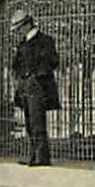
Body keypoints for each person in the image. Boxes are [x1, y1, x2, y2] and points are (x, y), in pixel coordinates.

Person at [10, 10, 60, 167]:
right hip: (25, 86)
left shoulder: (45, 40)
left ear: (27, 24)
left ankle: (41, 157)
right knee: (30, 122)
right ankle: (34, 154)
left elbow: (52, 61)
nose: (19, 31)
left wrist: (36, 76)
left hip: (38, 86)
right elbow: (16, 64)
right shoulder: (23, 43)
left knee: (38, 122)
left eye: (20, 28)